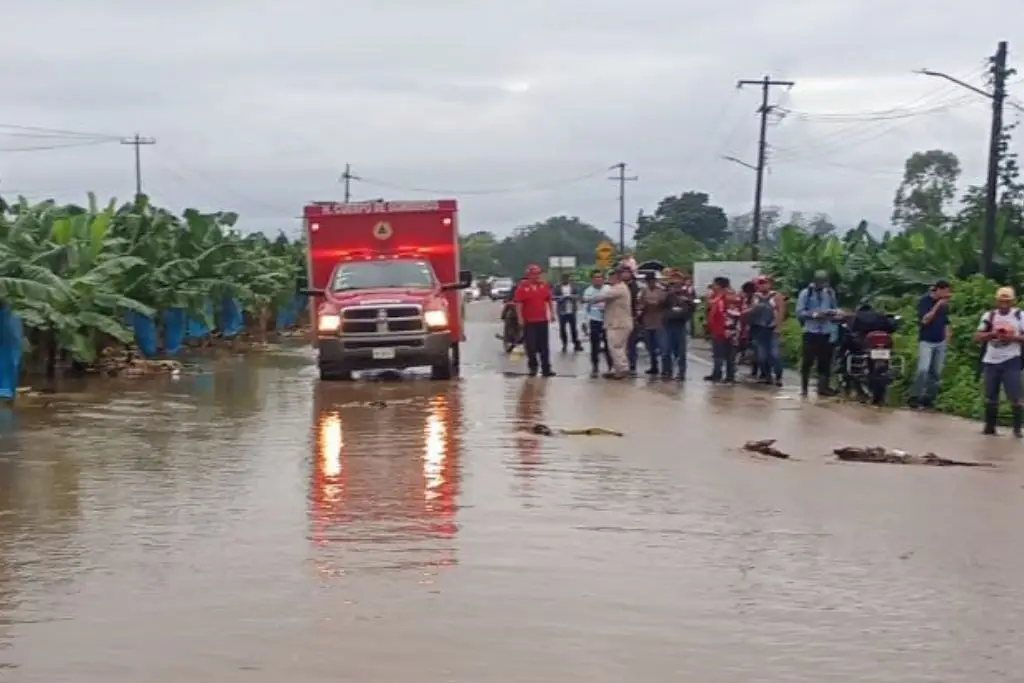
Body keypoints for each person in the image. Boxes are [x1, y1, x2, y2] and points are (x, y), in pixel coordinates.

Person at [973, 286, 1024, 436]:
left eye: (1007, 301)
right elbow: (977, 337)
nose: (1004, 304)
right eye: (1001, 301)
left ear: (1012, 302)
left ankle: (1017, 429)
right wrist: (993, 334)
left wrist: (1011, 338)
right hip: (991, 360)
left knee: (1015, 395)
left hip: (1011, 359)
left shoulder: (1019, 316)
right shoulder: (989, 316)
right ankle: (990, 427)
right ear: (996, 301)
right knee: (990, 395)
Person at [795, 270, 839, 397]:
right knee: (807, 361)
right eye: (820, 282)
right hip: (811, 331)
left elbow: (834, 308)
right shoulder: (806, 293)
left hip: (826, 331)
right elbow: (799, 312)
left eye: (825, 282)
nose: (823, 285)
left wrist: (831, 313)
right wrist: (814, 315)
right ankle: (804, 388)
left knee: (825, 361)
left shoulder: (830, 293)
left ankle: (823, 388)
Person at [909, 280, 952, 409]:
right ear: (938, 290)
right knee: (923, 369)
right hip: (926, 341)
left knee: (936, 372)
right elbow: (925, 320)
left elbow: (946, 322)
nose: (947, 294)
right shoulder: (925, 301)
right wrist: (938, 305)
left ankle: (928, 399)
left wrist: (948, 337)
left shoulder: (945, 305)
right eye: (945, 291)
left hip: (940, 341)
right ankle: (914, 396)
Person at [585, 266, 633, 379]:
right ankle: (618, 368)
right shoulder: (617, 287)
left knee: (615, 347)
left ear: (616, 277)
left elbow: (603, 297)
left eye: (611, 276)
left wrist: (588, 299)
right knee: (619, 347)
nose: (609, 279)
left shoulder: (619, 288)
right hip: (617, 322)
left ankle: (621, 369)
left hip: (618, 323)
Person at [513, 264, 556, 377]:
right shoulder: (523, 287)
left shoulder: (544, 286)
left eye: (539, 274)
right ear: (529, 275)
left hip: (542, 320)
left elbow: (549, 300)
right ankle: (533, 367)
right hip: (529, 321)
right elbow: (519, 304)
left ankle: (546, 368)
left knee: (544, 346)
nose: (537, 276)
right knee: (531, 346)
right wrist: (520, 318)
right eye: (535, 274)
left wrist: (552, 313)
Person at [748, 276, 785, 386]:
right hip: (759, 328)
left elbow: (781, 311)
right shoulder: (755, 297)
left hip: (772, 328)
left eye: (765, 283)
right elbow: (751, 312)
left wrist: (778, 326)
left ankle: (778, 376)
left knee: (775, 354)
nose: (763, 285)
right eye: (760, 283)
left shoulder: (776, 296)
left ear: (770, 284)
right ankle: (767, 376)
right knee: (762, 355)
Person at [660, 269, 692, 380]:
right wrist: (669, 292)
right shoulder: (667, 294)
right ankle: (666, 371)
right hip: (668, 324)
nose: (676, 282)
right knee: (665, 350)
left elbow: (692, 307)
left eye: (678, 279)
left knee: (681, 352)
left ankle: (681, 372)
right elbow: (661, 305)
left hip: (680, 324)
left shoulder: (687, 294)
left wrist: (686, 302)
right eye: (673, 280)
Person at [704, 276, 736, 383]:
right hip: (718, 328)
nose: (713, 286)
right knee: (719, 353)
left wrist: (728, 328)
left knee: (725, 354)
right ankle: (718, 374)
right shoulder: (719, 296)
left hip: (725, 329)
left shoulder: (728, 297)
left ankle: (727, 375)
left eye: (714, 284)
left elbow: (731, 314)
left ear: (719, 285)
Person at [582, 269, 613, 377]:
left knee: (609, 345)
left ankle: (611, 367)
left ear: (603, 279)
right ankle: (595, 367)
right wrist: (584, 322)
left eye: (600, 277)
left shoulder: (609, 289)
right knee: (595, 345)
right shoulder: (588, 291)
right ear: (592, 279)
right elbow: (585, 308)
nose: (598, 279)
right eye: (596, 277)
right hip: (594, 320)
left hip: (608, 320)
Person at [637, 271, 666, 375]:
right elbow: (640, 304)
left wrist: (652, 304)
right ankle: (654, 366)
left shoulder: (661, 291)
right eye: (649, 281)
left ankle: (665, 368)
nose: (651, 283)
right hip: (647, 321)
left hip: (659, 322)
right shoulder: (644, 291)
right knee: (650, 347)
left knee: (661, 346)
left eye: (652, 281)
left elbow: (663, 303)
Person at [553, 272, 583, 353]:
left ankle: (576, 343)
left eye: (567, 278)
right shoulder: (557, 287)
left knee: (573, 328)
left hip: (572, 310)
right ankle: (564, 344)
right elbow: (553, 297)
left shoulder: (573, 286)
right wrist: (561, 298)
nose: (565, 280)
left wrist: (571, 297)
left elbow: (578, 296)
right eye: (564, 278)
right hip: (562, 311)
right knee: (562, 328)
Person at [621, 268, 641, 375]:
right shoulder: (619, 286)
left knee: (632, 343)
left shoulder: (634, 286)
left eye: (627, 272)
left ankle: (632, 365)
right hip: (620, 317)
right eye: (623, 272)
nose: (625, 274)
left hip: (632, 316)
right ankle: (622, 365)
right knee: (621, 343)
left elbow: (637, 301)